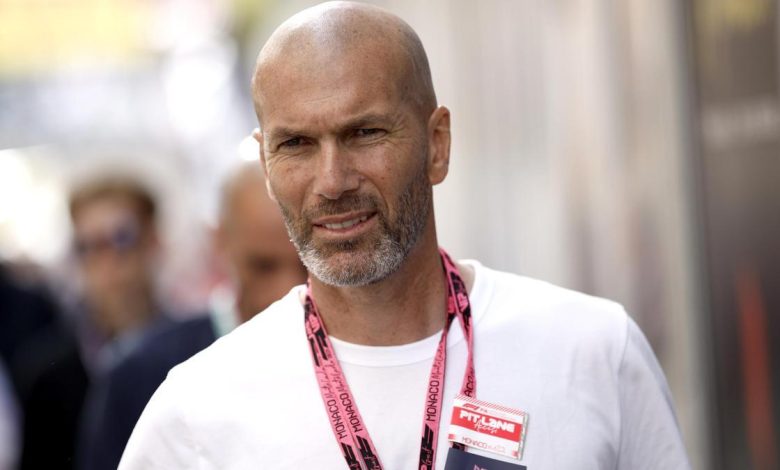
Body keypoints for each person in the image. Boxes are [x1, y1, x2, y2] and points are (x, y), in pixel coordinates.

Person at [119, 2, 691, 469]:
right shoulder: (195, 414)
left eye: (365, 132)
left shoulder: (593, 352)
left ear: (437, 144)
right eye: (296, 144)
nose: (333, 181)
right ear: (267, 166)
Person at [77, 162, 307, 470]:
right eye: (263, 266)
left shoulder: (356, 352)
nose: (289, 288)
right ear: (220, 241)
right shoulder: (139, 375)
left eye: (308, 266)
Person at [15, 175, 168, 470]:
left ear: (153, 242)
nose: (105, 263)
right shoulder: (46, 378)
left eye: (121, 239)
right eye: (88, 247)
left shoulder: (195, 352)